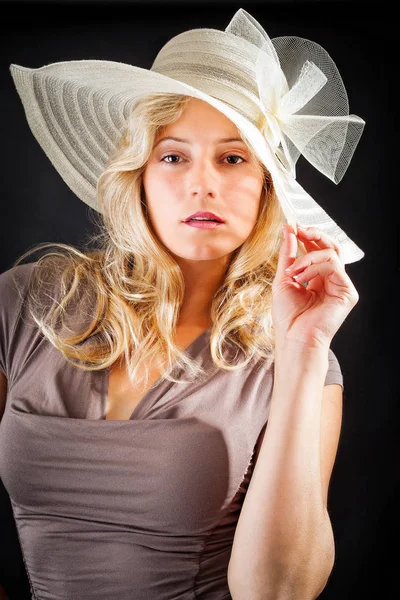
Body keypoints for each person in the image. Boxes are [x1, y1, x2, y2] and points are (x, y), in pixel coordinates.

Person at [0, 7, 365, 600]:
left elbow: (277, 592)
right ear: (138, 172)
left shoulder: (298, 359)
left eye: (233, 157)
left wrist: (301, 353)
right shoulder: (26, 302)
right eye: (173, 156)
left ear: (267, 188)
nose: (204, 184)